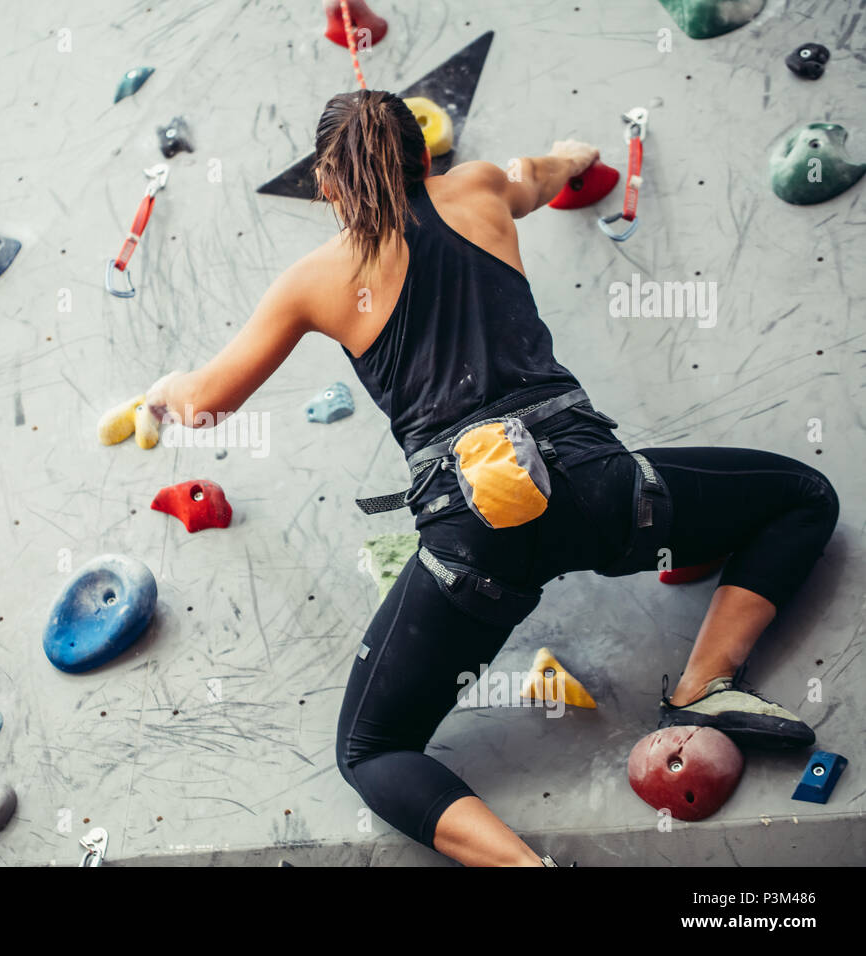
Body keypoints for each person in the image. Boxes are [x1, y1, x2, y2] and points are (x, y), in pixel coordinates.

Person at [144, 90, 838, 866]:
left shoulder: (314, 278)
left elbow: (205, 404)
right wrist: (576, 156)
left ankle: (523, 868)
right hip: (603, 493)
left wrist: (169, 387)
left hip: (477, 544)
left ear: (328, 184)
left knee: (371, 751)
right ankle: (703, 684)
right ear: (422, 154)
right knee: (801, 497)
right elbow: (540, 175)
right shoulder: (477, 187)